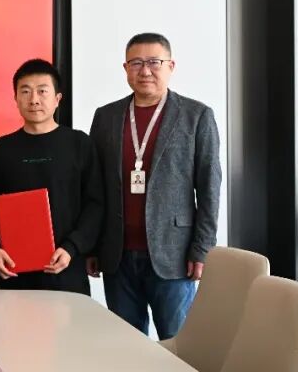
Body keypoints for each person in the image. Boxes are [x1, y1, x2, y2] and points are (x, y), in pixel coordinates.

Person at [88, 32, 222, 338]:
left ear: (170, 66)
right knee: (127, 345)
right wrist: (93, 246)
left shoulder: (196, 116)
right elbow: (96, 188)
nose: (145, 70)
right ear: (125, 69)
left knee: (177, 346)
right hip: (117, 255)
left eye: (154, 62)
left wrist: (202, 249)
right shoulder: (106, 117)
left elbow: (210, 188)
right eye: (136, 63)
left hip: (174, 255)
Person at [0, 59, 103, 294]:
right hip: (14, 270)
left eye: (42, 91)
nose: (34, 99)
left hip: (67, 267)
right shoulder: (1, 149)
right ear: (15, 98)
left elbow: (95, 204)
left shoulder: (79, 144)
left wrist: (72, 247)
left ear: (57, 98)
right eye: (25, 91)